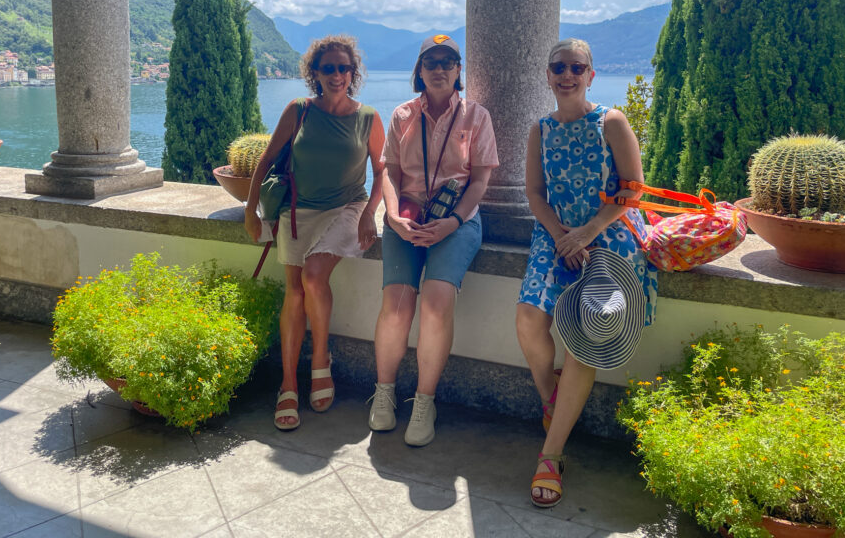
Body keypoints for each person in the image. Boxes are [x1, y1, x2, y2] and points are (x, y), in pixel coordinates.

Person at [516, 37, 658, 507]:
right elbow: (535, 194)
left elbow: (633, 189)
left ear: (591, 75)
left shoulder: (611, 122)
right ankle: (553, 401)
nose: (567, 74)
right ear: (549, 74)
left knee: (586, 332)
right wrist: (561, 234)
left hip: (609, 233)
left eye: (577, 67)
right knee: (529, 320)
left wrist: (588, 232)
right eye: (558, 66)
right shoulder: (540, 128)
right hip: (556, 235)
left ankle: (551, 454)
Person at [244, 35, 385, 431]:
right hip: (296, 213)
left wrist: (370, 213)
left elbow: (383, 169)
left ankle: (320, 360)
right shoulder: (299, 110)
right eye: (329, 68)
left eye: (344, 68)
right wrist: (251, 210)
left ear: (353, 73)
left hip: (346, 209)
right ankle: (289, 382)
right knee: (294, 290)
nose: (337, 75)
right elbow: (266, 160)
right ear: (315, 73)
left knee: (312, 276)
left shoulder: (369, 117)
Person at [368, 34, 498, 447]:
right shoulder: (403, 115)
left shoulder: (476, 117)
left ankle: (425, 401)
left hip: (456, 222)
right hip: (406, 218)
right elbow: (388, 171)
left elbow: (480, 180)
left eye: (448, 61)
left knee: (437, 303)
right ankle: (385, 393)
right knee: (397, 304)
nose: (439, 68)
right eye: (431, 62)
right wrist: (390, 215)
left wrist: (453, 221)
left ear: (459, 71)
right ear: (419, 71)